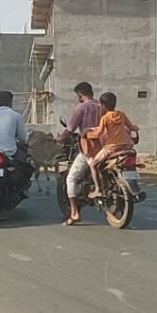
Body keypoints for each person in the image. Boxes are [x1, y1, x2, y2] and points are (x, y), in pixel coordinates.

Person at [58, 82, 103, 226]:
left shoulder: (82, 107)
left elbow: (70, 128)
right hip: (106, 147)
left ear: (79, 94)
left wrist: (60, 139)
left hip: (90, 147)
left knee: (71, 178)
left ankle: (75, 213)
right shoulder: (103, 106)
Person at [84, 92, 139, 200]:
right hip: (126, 146)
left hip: (111, 148)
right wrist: (136, 128)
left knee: (93, 164)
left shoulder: (105, 118)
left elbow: (98, 133)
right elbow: (131, 127)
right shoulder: (122, 115)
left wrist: (87, 134)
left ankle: (97, 190)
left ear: (103, 105)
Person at [0, 90, 31, 194]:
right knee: (24, 164)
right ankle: (21, 189)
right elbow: (23, 137)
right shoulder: (16, 115)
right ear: (10, 102)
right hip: (9, 151)